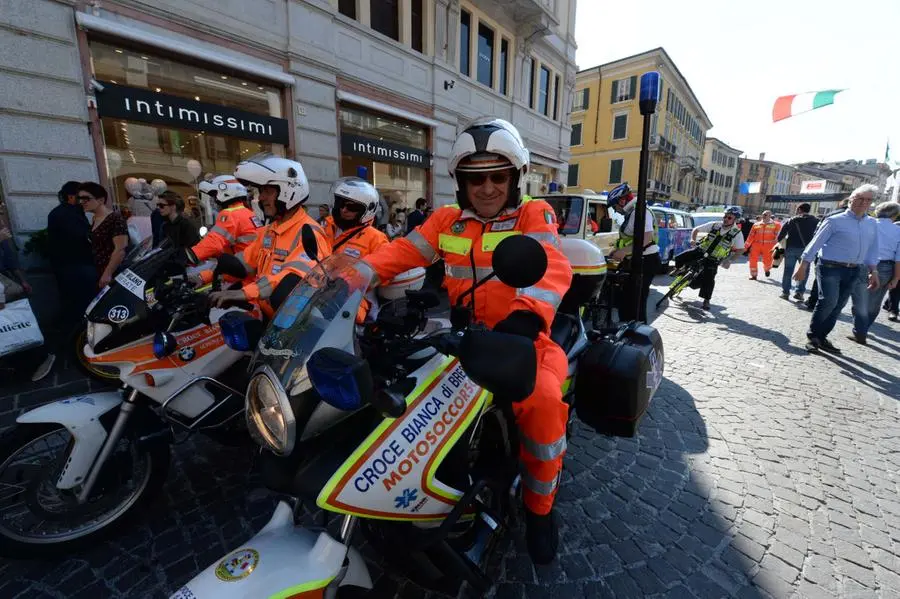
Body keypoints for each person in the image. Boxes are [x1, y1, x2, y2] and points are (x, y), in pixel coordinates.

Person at [364, 118, 571, 565]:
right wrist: (350, 276)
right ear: (460, 182)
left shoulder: (534, 214)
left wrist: (525, 318)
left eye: (498, 176)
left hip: (525, 341)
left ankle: (540, 509)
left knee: (543, 405)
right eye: (475, 178)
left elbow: (551, 264)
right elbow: (398, 253)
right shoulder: (447, 220)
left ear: (516, 177)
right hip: (463, 338)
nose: (488, 188)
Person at [207, 153, 331, 317]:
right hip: (266, 314)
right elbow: (245, 261)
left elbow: (293, 278)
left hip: (292, 326)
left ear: (289, 190)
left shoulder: (309, 232)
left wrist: (244, 293)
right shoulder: (269, 230)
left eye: (268, 191)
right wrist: (204, 276)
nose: (261, 198)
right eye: (260, 191)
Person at [795, 184, 880, 353]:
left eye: (868, 200)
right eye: (860, 198)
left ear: (872, 203)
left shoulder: (872, 224)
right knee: (828, 301)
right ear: (851, 199)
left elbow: (872, 249)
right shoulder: (835, 220)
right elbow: (815, 244)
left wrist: (874, 271)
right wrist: (803, 266)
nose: (864, 203)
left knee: (839, 305)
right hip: (829, 267)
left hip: (855, 269)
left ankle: (822, 337)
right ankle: (813, 337)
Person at [0, 228, 55, 381]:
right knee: (9, 327)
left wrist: (22, 280)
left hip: (7, 284)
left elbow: (10, 260)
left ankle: (41, 358)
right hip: (4, 286)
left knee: (17, 322)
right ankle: (18, 366)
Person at [607, 183, 661, 322]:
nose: (615, 210)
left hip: (645, 261)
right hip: (638, 259)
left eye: (614, 206)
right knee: (627, 300)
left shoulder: (639, 211)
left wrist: (624, 251)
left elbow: (647, 237)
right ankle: (627, 328)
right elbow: (632, 238)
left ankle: (637, 333)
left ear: (622, 200)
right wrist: (618, 249)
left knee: (635, 303)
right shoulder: (633, 212)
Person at [846, 201, 899, 343]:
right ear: (895, 215)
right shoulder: (898, 231)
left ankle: (859, 328)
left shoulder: (868, 223)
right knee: (875, 301)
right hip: (885, 267)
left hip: (861, 263)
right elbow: (899, 258)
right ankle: (862, 330)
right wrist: (896, 278)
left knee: (858, 298)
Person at [673, 207, 745, 311]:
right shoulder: (715, 225)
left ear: (735, 220)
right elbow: (696, 229)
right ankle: (679, 269)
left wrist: (730, 260)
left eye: (729, 217)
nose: (725, 219)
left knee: (709, 279)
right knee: (680, 257)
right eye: (725, 216)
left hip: (713, 258)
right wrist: (693, 240)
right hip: (701, 250)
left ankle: (706, 300)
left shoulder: (737, 233)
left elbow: (740, 249)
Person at [47, 181, 96, 331]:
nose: (84, 201)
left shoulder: (59, 212)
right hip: (78, 267)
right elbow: (83, 238)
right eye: (81, 197)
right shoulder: (70, 214)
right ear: (71, 197)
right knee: (83, 306)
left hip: (66, 267)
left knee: (72, 304)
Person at [189, 176, 261, 267]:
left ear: (225, 192)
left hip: (240, 269)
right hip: (251, 264)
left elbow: (215, 241)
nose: (214, 199)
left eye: (215, 195)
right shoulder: (248, 212)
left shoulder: (230, 214)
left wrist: (191, 255)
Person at [322, 177, 389, 259]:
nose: (344, 210)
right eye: (341, 204)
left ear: (367, 210)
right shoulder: (325, 227)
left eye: (352, 207)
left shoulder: (376, 239)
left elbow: (381, 267)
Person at [78, 183, 128, 289]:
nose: (81, 202)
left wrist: (107, 273)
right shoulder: (95, 218)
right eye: (80, 198)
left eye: (85, 198)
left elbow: (120, 249)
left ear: (101, 200)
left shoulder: (115, 218)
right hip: (97, 271)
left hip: (112, 273)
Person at [804, 199, 850, 311]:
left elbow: (817, 235)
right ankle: (833, 306)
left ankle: (813, 302)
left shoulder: (831, 215)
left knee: (819, 280)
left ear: (841, 205)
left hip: (827, 256)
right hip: (851, 260)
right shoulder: (864, 218)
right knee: (843, 285)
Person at [776, 203, 818, 301]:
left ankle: (785, 293)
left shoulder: (791, 220)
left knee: (788, 270)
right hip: (807, 250)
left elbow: (780, 237)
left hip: (791, 248)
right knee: (804, 271)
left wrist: (782, 244)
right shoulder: (816, 221)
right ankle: (799, 292)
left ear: (799, 209)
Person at [745, 210, 781, 280]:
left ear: (770, 216)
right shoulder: (756, 224)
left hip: (769, 245)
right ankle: (754, 275)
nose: (763, 216)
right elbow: (751, 236)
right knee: (752, 259)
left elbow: (778, 236)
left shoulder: (776, 225)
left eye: (765, 215)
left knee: (768, 261)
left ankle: (767, 269)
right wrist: (746, 246)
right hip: (756, 245)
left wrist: (777, 246)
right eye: (763, 214)